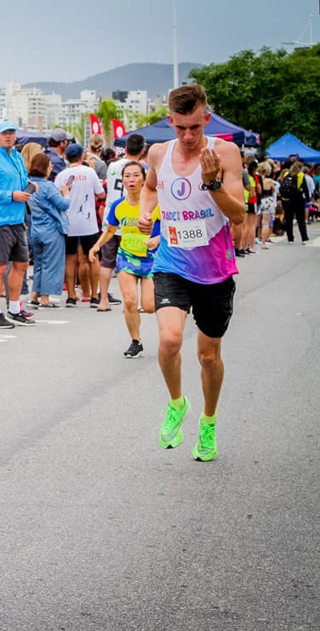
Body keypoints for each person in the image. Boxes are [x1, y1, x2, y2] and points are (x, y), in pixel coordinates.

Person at [139, 84, 244, 463]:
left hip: (215, 270)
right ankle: (176, 403)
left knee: (208, 356)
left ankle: (209, 422)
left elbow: (238, 214)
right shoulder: (158, 153)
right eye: (180, 128)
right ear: (170, 121)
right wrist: (146, 210)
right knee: (169, 340)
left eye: (195, 128)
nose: (187, 136)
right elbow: (151, 186)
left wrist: (213, 182)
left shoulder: (226, 153)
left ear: (207, 120)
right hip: (171, 262)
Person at [90, 161, 160, 358]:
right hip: (127, 256)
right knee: (129, 301)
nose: (131, 180)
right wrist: (97, 246)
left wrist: (158, 238)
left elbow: (170, 226)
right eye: (127, 176)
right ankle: (136, 341)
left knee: (149, 306)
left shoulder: (156, 203)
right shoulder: (118, 206)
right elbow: (111, 230)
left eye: (136, 175)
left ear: (144, 179)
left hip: (151, 258)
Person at [0, 121, 36, 329]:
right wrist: (11, 195)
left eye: (11, 133)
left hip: (18, 220)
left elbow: (20, 181)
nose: (8, 137)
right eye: (4, 134)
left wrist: (29, 186)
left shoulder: (17, 157)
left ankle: (14, 308)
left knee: (20, 265)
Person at [99, 134, 146, 310]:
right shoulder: (142, 168)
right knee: (140, 258)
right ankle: (140, 300)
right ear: (143, 150)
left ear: (125, 149)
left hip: (112, 217)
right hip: (133, 219)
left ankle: (103, 299)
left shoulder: (112, 166)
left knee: (106, 261)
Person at [56, 143, 105, 308]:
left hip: (68, 222)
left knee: (70, 259)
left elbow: (58, 199)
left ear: (66, 157)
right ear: (81, 157)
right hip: (88, 222)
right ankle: (93, 296)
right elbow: (101, 193)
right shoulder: (90, 172)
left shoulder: (61, 175)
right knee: (92, 258)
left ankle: (70, 296)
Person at [27, 153, 70, 309]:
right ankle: (45, 298)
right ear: (45, 168)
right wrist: (66, 194)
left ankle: (34, 295)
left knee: (38, 263)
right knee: (51, 264)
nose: (51, 168)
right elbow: (64, 205)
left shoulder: (28, 185)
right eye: (50, 165)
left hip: (36, 229)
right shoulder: (48, 186)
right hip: (52, 230)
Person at [279, 161, 309, 243]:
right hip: (298, 199)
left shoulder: (286, 175)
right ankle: (304, 238)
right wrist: (308, 199)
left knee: (289, 219)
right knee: (301, 219)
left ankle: (290, 238)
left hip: (287, 200)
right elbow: (305, 188)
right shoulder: (301, 176)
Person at [257, 161, 277, 248]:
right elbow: (273, 190)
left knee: (255, 222)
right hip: (267, 200)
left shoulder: (257, 179)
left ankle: (255, 238)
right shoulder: (269, 181)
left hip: (258, 200)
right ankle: (264, 242)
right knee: (266, 223)